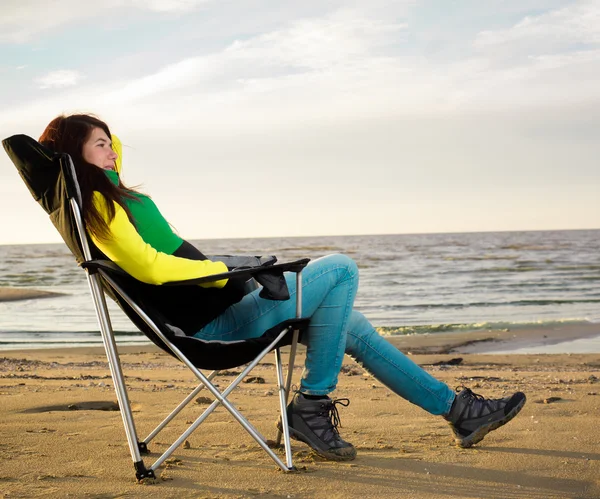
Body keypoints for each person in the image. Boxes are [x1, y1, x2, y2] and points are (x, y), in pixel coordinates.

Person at [39, 114, 526, 461]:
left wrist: (89, 142)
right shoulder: (99, 208)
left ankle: (458, 411)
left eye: (109, 141)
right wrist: (220, 269)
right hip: (215, 324)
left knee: (350, 325)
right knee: (340, 269)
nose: (112, 148)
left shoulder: (115, 192)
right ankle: (312, 405)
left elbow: (116, 147)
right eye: (99, 143)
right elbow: (151, 268)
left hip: (227, 305)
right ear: (75, 155)